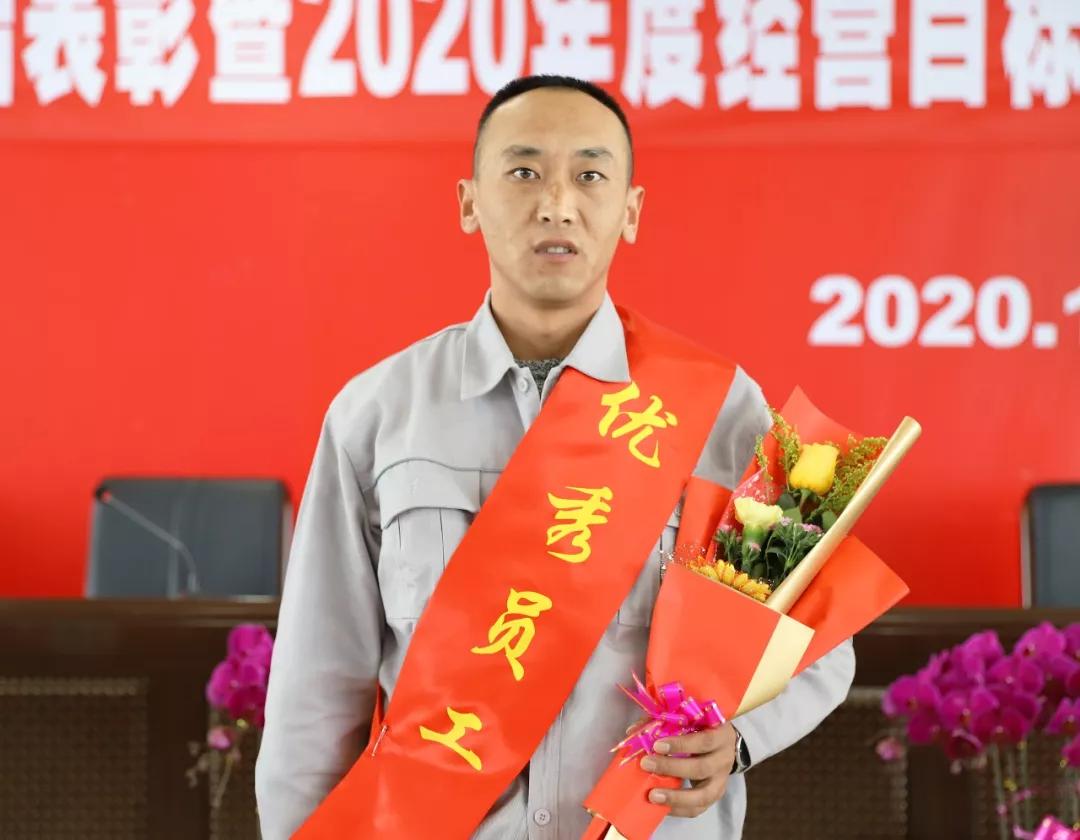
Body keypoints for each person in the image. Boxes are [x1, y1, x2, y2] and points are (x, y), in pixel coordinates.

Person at [255, 74, 855, 840]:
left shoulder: (719, 409)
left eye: (590, 176)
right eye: (524, 171)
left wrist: (738, 742)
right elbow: (315, 692)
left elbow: (819, 641)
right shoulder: (378, 415)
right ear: (470, 201)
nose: (557, 204)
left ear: (630, 211)